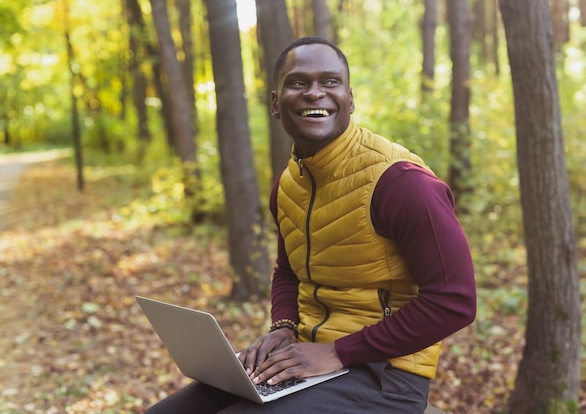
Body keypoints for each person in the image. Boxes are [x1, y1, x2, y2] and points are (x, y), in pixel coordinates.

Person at [144, 36, 476, 414]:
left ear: (350, 99)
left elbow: (455, 301)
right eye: (298, 82)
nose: (314, 93)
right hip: (307, 358)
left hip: (387, 374)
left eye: (330, 82)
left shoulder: (401, 183)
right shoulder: (288, 185)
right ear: (275, 103)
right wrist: (283, 327)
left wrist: (337, 351)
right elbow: (288, 271)